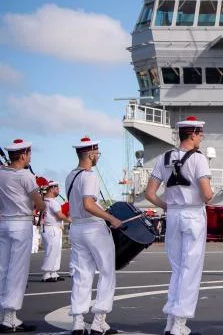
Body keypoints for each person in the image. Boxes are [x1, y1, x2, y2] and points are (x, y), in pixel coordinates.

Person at [145, 116, 214, 335]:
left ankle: (171, 320)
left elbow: (149, 193)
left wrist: (166, 206)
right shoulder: (199, 159)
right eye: (200, 134)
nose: (201, 137)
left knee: (177, 268)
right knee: (190, 269)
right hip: (193, 215)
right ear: (192, 134)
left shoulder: (163, 158)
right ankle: (179, 325)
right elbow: (207, 195)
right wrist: (208, 196)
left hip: (173, 215)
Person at [67, 136, 122, 335]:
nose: (98, 156)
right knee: (107, 273)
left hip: (77, 229)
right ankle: (99, 321)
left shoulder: (70, 175)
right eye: (97, 153)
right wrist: (111, 218)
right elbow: (88, 204)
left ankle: (78, 322)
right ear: (90, 154)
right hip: (93, 229)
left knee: (82, 274)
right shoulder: (89, 176)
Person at [0, 138, 44, 332]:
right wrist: (39, 195)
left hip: (4, 223)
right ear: (24, 155)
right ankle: (10, 317)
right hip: (21, 223)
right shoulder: (26, 176)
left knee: (3, 268)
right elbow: (40, 204)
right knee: (17, 271)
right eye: (29, 154)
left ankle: (4, 314)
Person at [41, 179, 70, 282]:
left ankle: (53, 272)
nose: (59, 190)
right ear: (52, 188)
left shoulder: (44, 200)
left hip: (51, 228)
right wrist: (69, 219)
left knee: (56, 251)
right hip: (51, 228)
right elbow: (59, 215)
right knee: (52, 251)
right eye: (57, 188)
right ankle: (46, 274)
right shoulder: (52, 202)